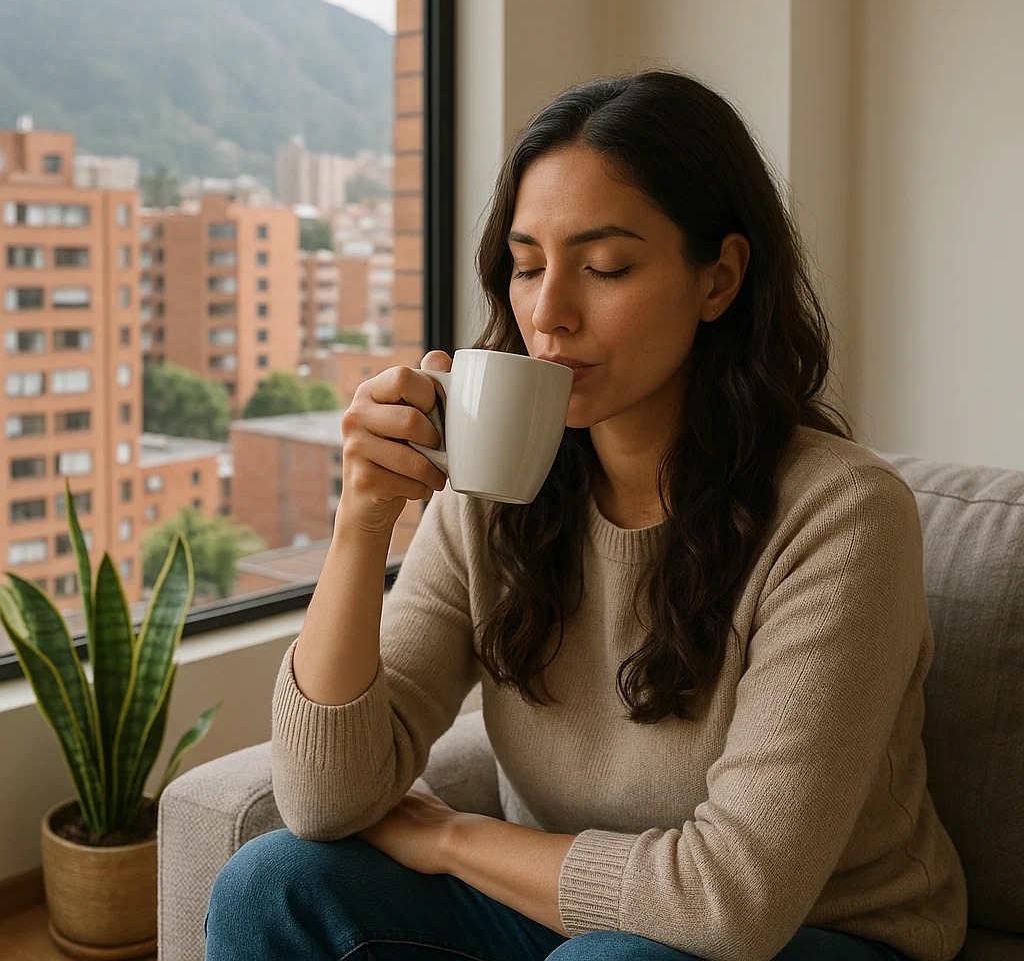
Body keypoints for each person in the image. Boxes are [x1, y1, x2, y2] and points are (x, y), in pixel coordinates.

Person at [204, 70, 968, 961]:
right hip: (567, 921)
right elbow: (325, 799)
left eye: (605, 267)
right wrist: (363, 519)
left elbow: (732, 903)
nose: (549, 312)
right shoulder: (497, 495)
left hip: (825, 933)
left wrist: (450, 838)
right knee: (271, 884)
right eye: (527, 267)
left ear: (718, 279)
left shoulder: (840, 518)